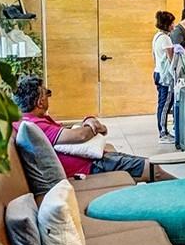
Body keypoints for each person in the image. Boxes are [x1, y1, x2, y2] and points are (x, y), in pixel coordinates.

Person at [12, 75, 164, 181]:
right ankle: (180, 198)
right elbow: (80, 136)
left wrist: (89, 121)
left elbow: (72, 131)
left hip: (91, 162)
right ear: (40, 101)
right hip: (88, 168)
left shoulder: (30, 121)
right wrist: (92, 125)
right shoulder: (33, 126)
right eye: (48, 93)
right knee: (153, 170)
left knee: (150, 165)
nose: (49, 97)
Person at [151, 10, 175, 142]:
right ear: (167, 24)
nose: (174, 25)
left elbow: (154, 56)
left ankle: (163, 131)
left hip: (158, 72)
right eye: (172, 23)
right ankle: (163, 133)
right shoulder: (166, 39)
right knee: (165, 104)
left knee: (163, 103)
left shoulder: (157, 37)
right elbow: (171, 59)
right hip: (165, 77)